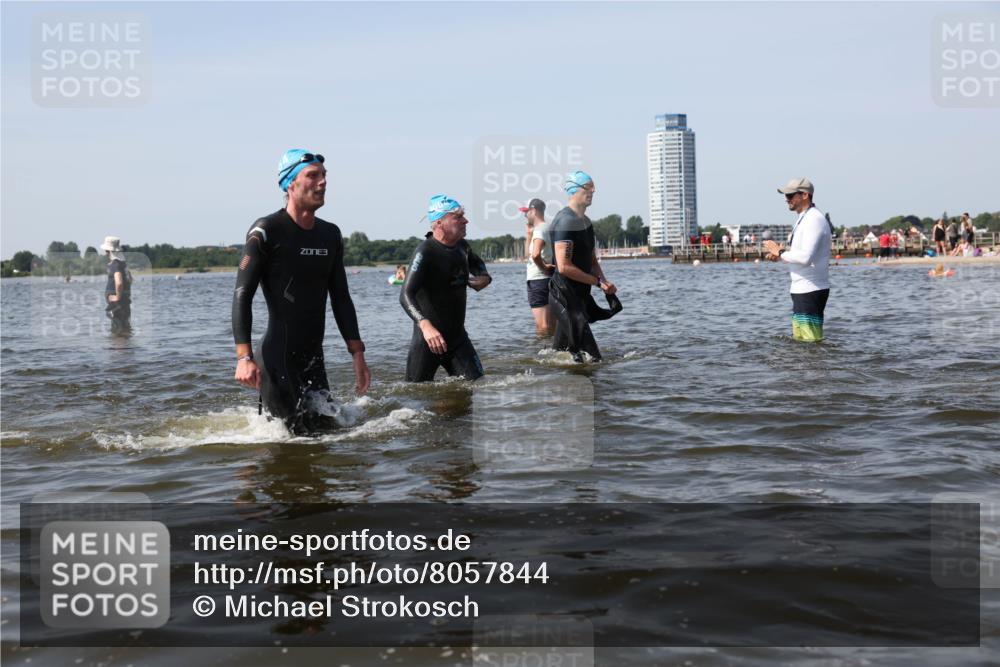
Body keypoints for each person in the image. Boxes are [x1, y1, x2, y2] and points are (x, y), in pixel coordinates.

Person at [232, 149, 371, 434]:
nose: (323, 182)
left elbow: (341, 297)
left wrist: (357, 354)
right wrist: (244, 357)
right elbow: (242, 295)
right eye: (313, 175)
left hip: (313, 359)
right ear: (290, 184)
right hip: (277, 358)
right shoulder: (267, 231)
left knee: (330, 435)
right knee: (290, 440)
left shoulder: (330, 235)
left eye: (324, 176)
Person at [400, 195, 491, 382]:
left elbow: (477, 264)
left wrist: (484, 277)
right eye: (458, 217)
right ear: (439, 223)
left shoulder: (462, 247)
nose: (465, 221)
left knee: (478, 385)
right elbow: (405, 294)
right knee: (415, 394)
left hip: (458, 339)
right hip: (428, 341)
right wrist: (425, 326)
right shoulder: (425, 251)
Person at [548, 171, 622, 362]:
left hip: (579, 296)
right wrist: (596, 281)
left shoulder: (585, 222)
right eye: (588, 187)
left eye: (593, 187)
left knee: (558, 356)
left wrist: (604, 282)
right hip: (564, 297)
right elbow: (563, 267)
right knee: (594, 359)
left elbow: (591, 259)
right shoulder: (566, 221)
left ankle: (548, 376)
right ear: (574, 190)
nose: (593, 191)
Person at [764, 177, 831, 342]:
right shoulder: (804, 217)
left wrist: (780, 252)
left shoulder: (814, 219)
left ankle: (818, 360)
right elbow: (800, 253)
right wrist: (781, 254)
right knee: (801, 343)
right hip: (801, 289)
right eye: (786, 195)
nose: (786, 199)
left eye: (790, 195)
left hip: (811, 289)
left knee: (811, 343)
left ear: (805, 195)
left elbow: (806, 257)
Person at [522, 198, 554, 336]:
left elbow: (535, 255)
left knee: (542, 325)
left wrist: (543, 268)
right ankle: (553, 346)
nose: (525, 216)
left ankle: (543, 348)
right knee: (550, 324)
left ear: (533, 211)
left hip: (538, 280)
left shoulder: (540, 230)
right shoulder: (545, 228)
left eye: (526, 212)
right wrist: (529, 235)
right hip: (545, 280)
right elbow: (527, 256)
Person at [101, 236, 132, 335]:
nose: (105, 253)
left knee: (117, 333)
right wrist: (124, 294)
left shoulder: (114, 264)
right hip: (125, 304)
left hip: (117, 305)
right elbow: (130, 279)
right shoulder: (123, 264)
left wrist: (117, 297)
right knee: (125, 329)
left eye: (106, 250)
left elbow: (119, 283)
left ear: (108, 251)